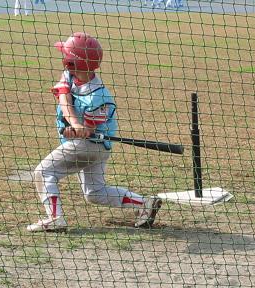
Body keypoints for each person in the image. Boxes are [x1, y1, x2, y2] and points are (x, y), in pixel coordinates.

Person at [27, 32, 163, 232]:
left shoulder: (99, 97)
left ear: (72, 63)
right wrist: (73, 126)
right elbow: (64, 97)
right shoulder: (69, 75)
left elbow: (89, 131)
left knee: (43, 172)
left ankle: (55, 218)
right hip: (88, 146)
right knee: (94, 192)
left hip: (91, 146)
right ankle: (144, 204)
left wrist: (81, 130)